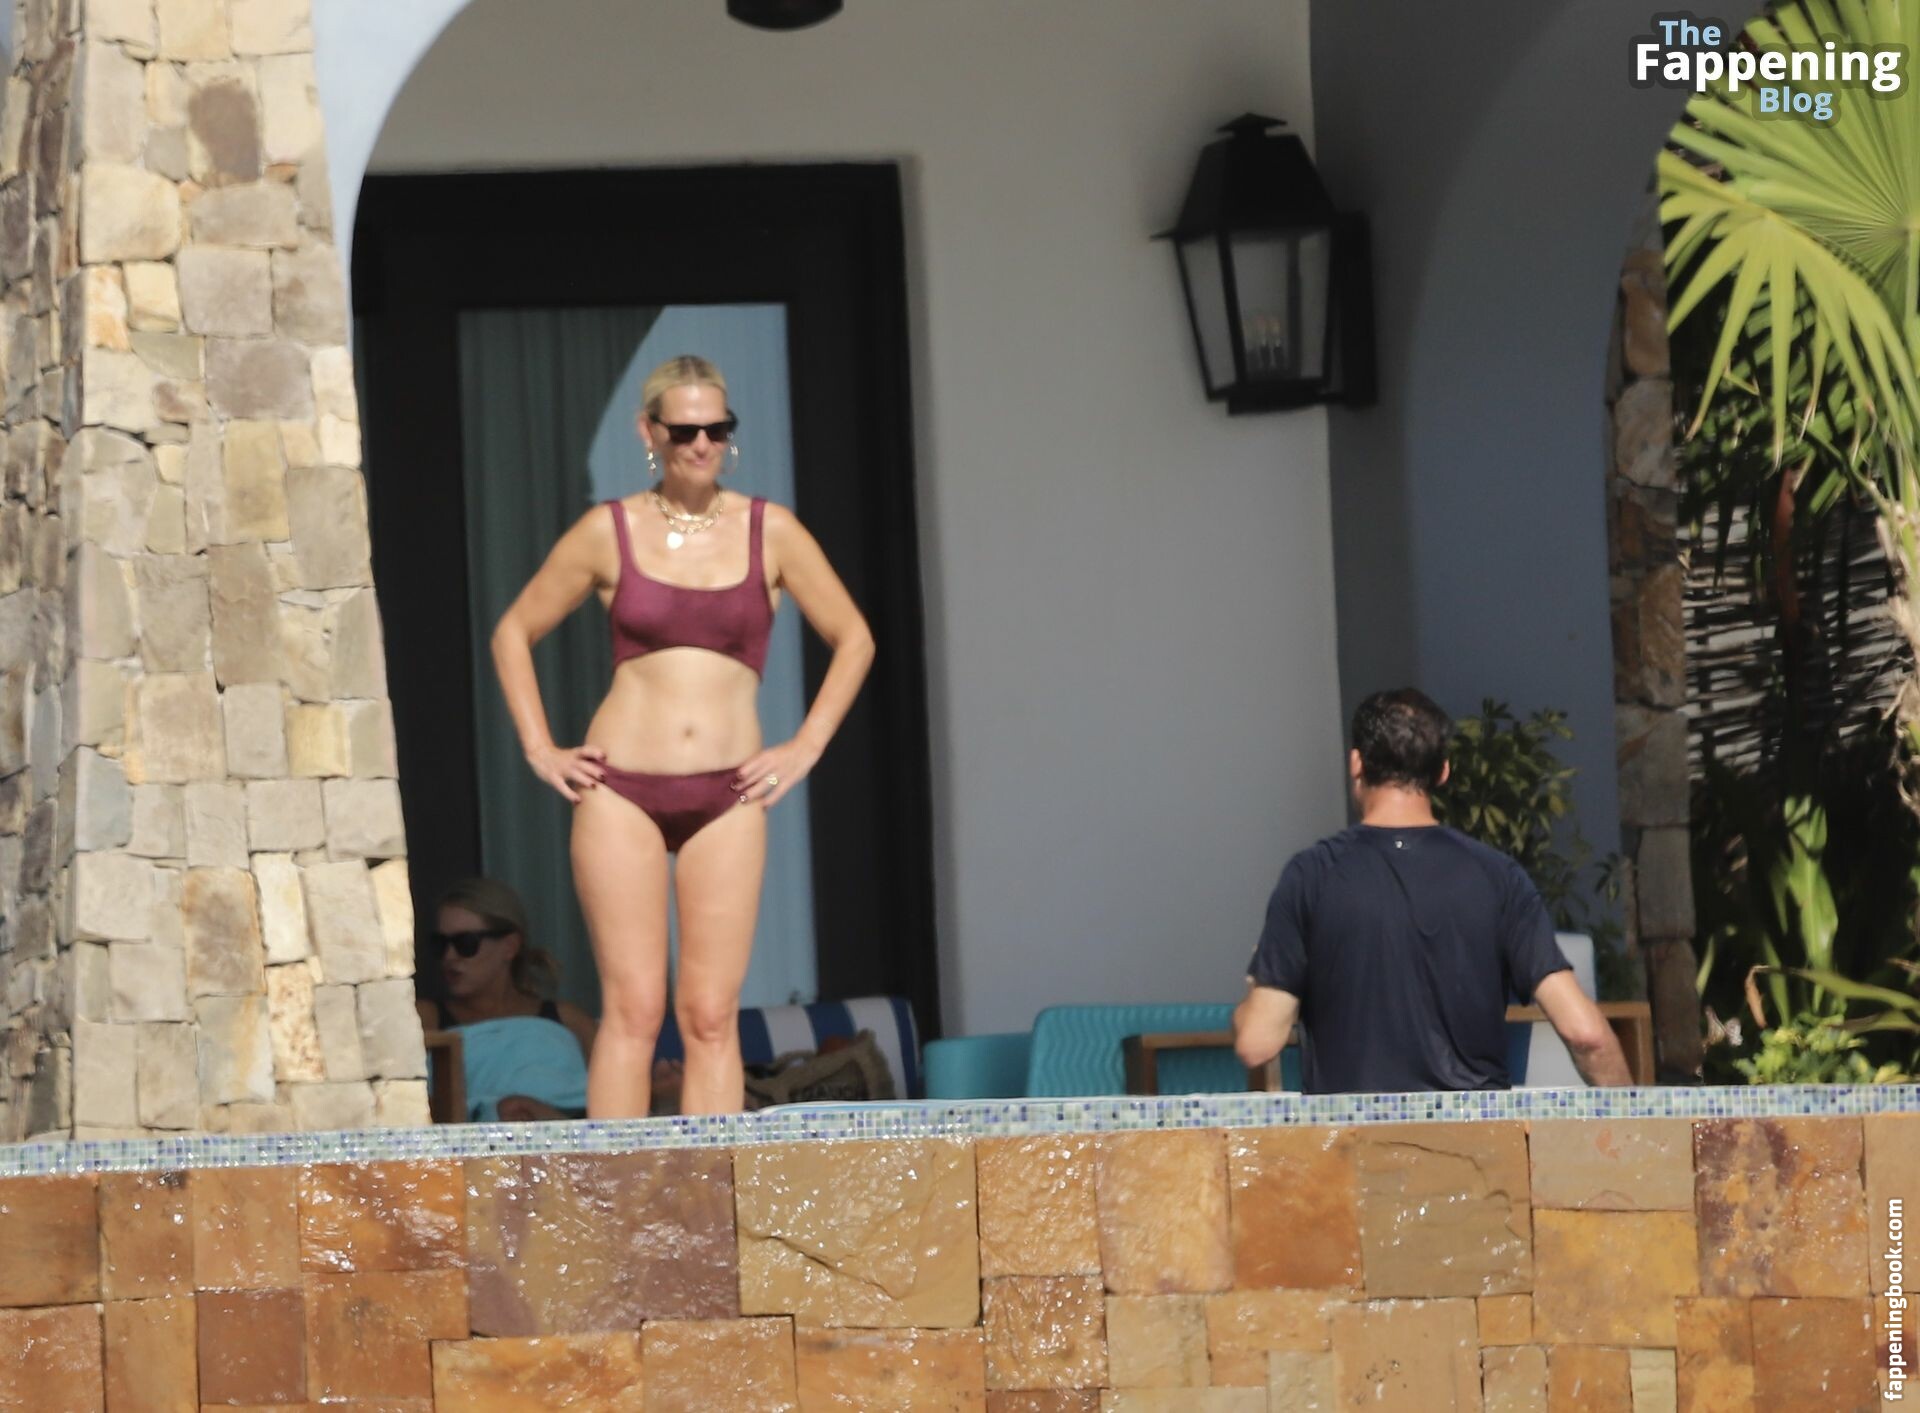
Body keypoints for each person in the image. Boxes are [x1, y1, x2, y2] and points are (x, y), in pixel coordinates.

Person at [490, 355, 874, 1117]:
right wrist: (540, 746)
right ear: (650, 431)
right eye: (685, 430)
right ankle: (618, 1190)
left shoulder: (770, 530)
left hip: (729, 791)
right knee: (633, 1010)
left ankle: (708, 1190)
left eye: (717, 429)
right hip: (620, 790)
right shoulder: (609, 530)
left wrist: (805, 746)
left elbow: (854, 637)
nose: (702, 444)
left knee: (709, 1014)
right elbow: (514, 630)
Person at [1232, 688, 1632, 1092]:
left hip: (1352, 1131)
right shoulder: (1498, 877)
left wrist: (1256, 988)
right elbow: (1586, 1034)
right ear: (1443, 771)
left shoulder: (1311, 876)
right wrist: (1636, 1123)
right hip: (1477, 1128)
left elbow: (1257, 1042)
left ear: (1356, 763)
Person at [416, 878, 598, 1121]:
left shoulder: (568, 1019)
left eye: (466, 944)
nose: (449, 956)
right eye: (440, 944)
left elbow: (614, 1102)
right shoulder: (425, 1019)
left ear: (510, 946)